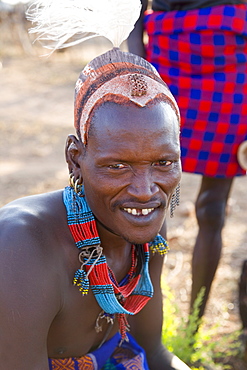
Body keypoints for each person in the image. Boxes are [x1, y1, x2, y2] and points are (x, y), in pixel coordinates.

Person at [0, 1, 191, 369]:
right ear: (75, 159)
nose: (144, 189)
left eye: (163, 162)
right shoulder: (21, 250)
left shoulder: (147, 227)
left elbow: (153, 353)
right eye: (117, 166)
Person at [128, 0, 247, 321]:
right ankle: (146, 323)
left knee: (212, 208)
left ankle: (193, 326)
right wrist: (137, 58)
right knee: (148, 199)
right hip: (167, 55)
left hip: (233, 57)